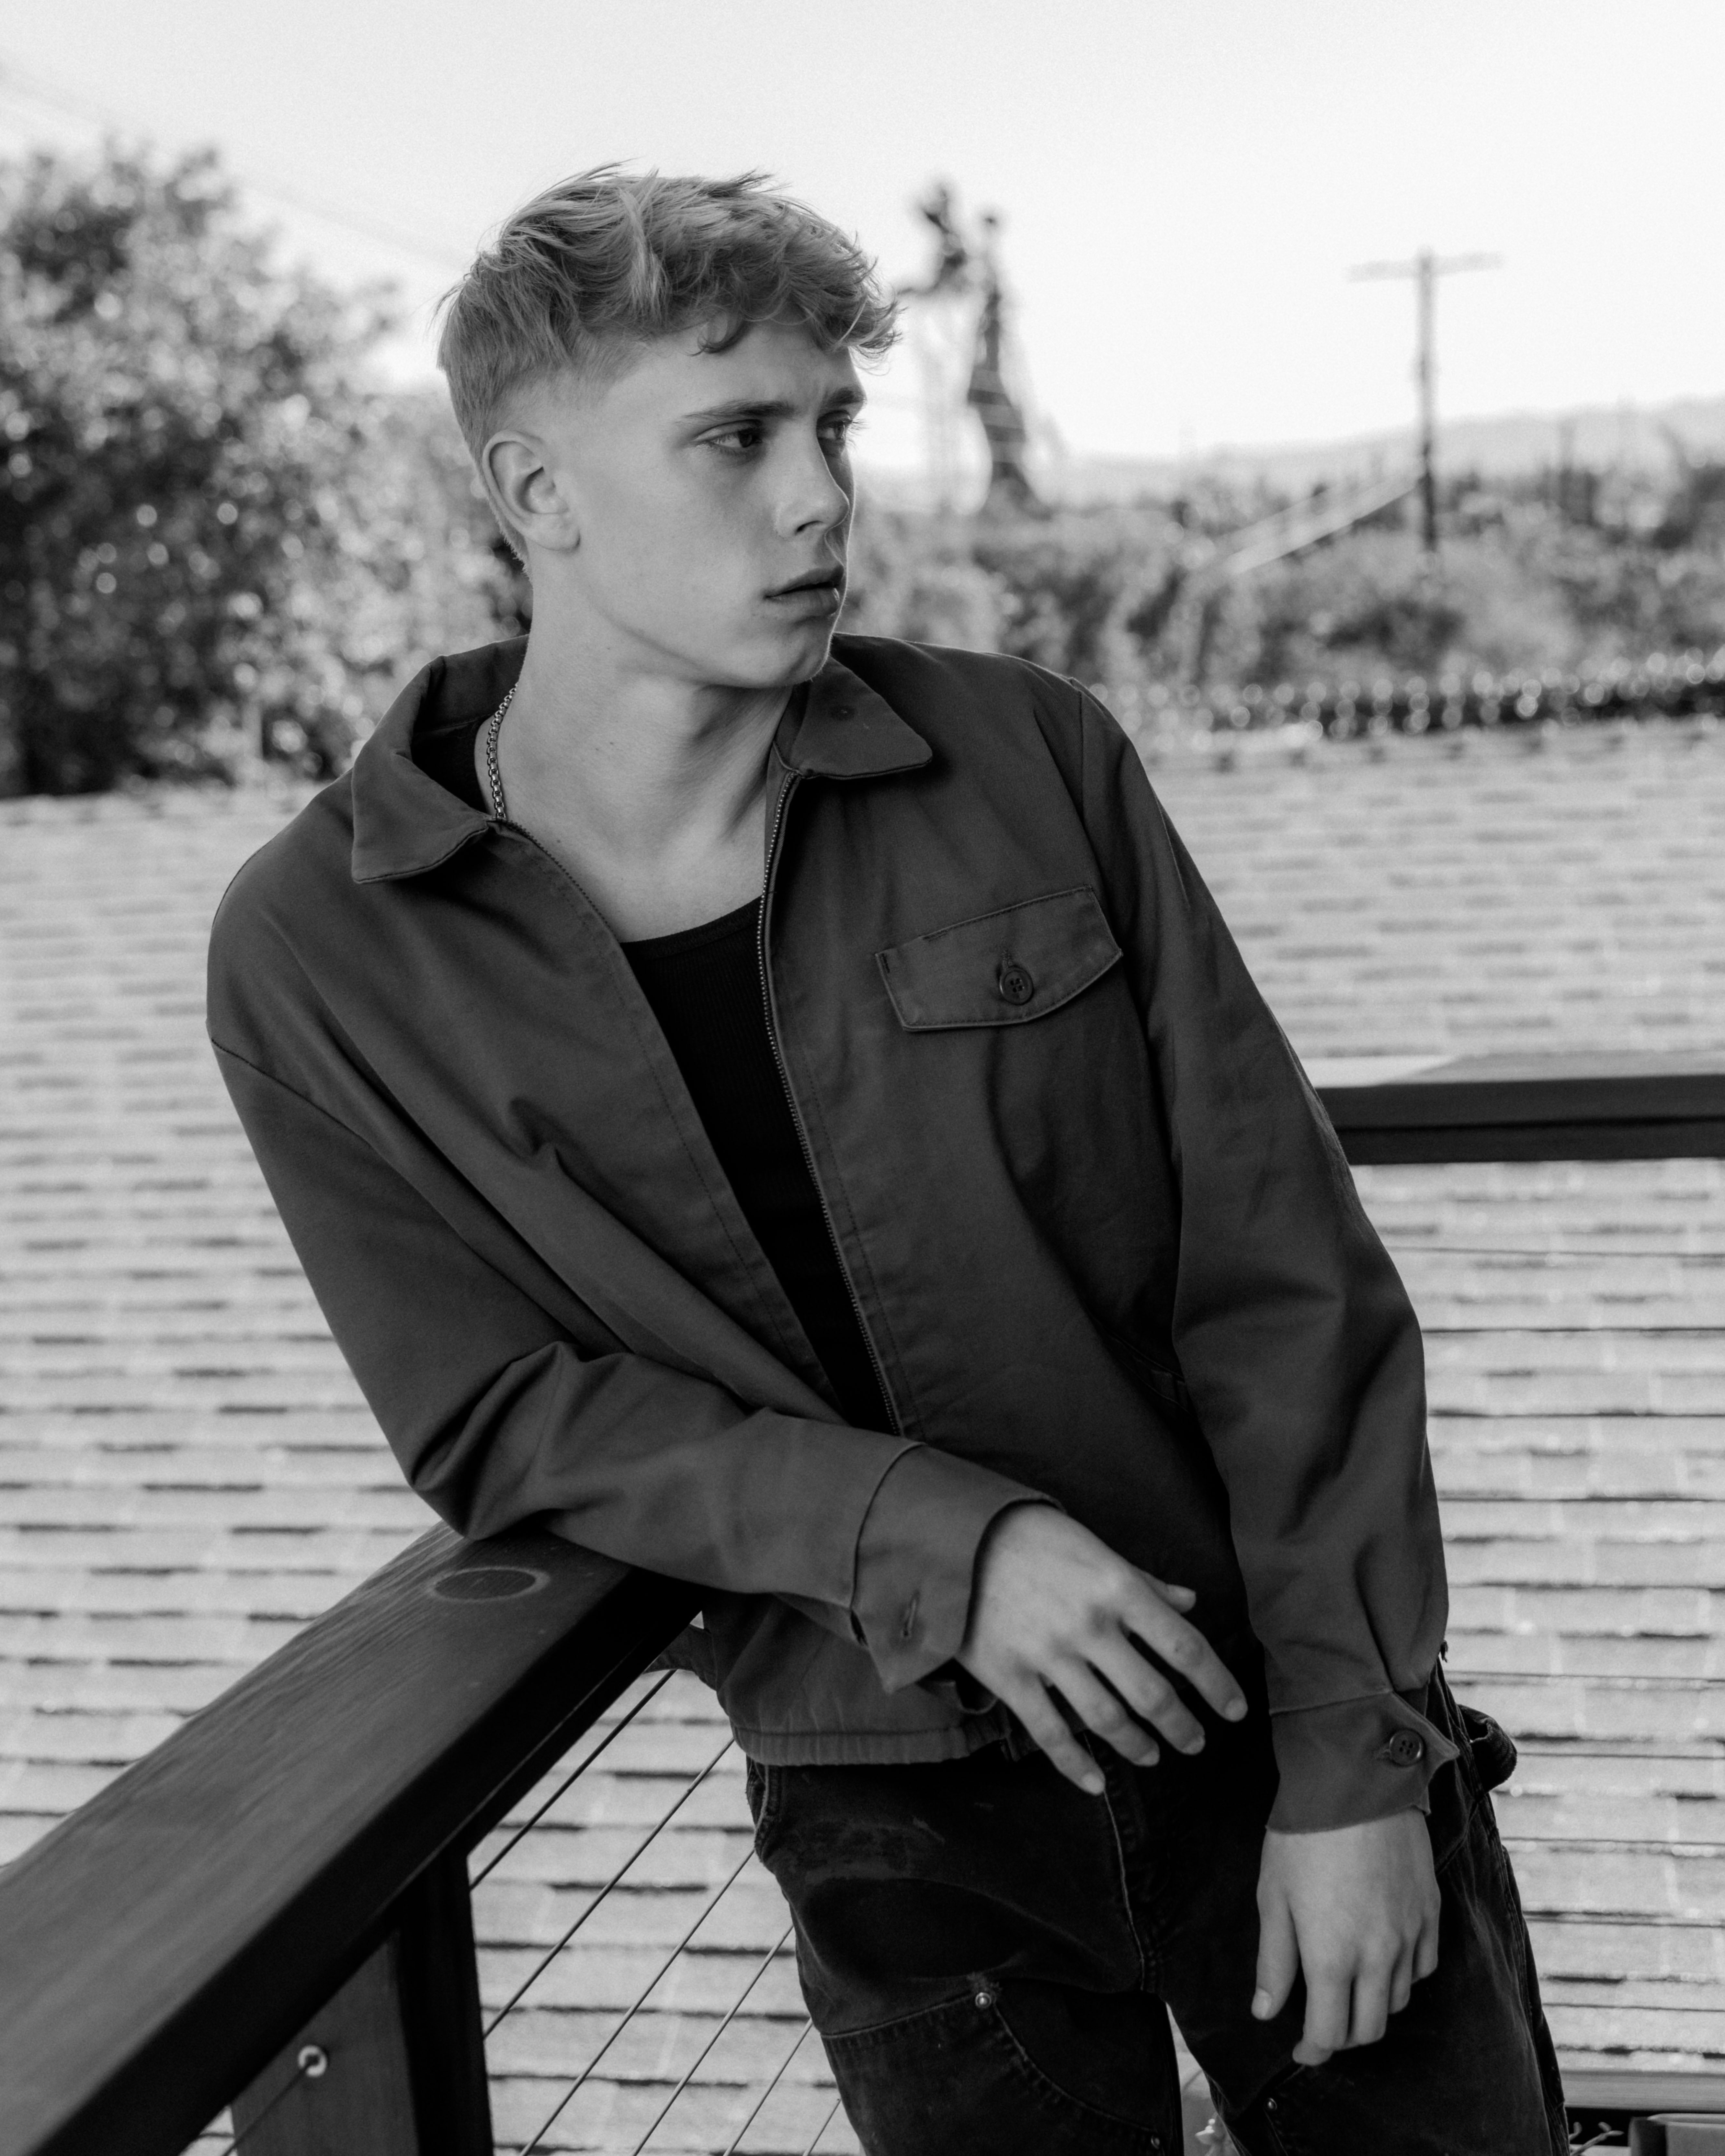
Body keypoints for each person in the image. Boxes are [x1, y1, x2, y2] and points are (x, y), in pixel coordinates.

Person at [206, 168, 1567, 2155]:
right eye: (737, 436)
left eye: (834, 427)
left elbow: (1284, 1280)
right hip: (893, 1817)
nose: (822, 497)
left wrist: (1356, 1759)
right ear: (534, 490)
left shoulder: (1031, 760)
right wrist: (937, 1541)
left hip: (1272, 1719)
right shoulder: (323, 951)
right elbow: (502, 1413)